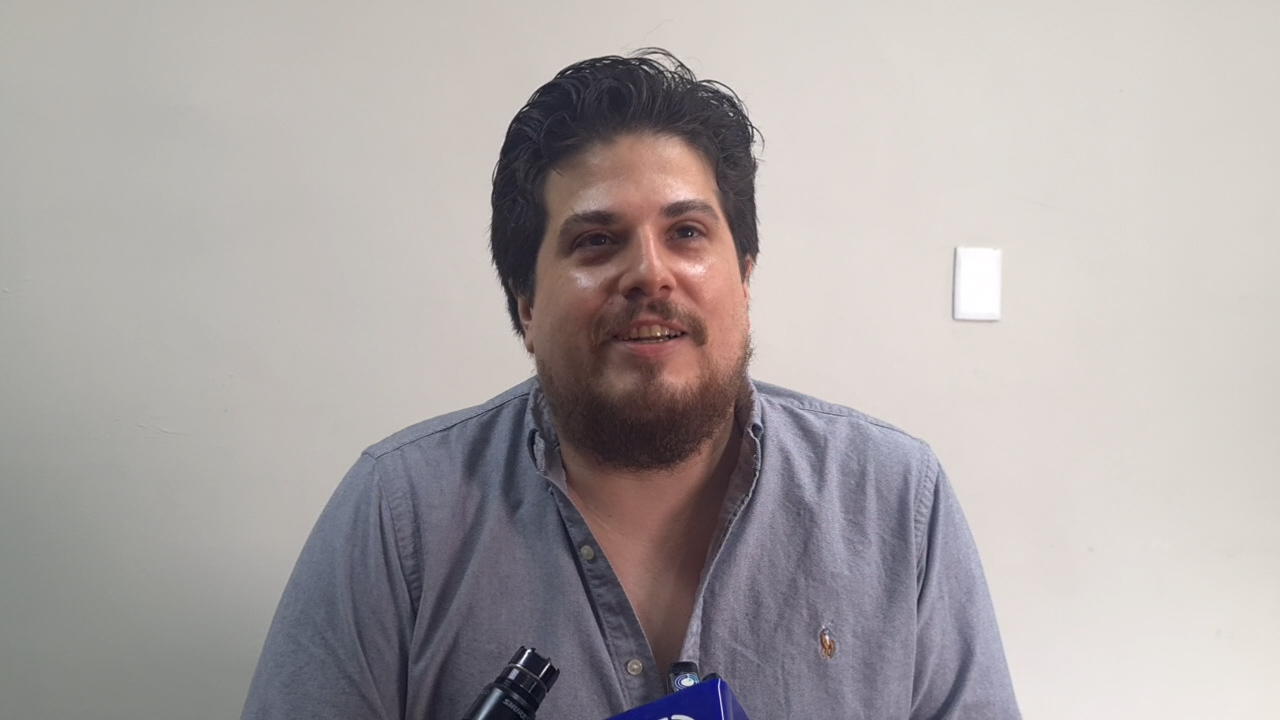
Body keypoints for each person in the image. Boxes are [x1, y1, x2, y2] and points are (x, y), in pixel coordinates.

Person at [241, 49, 1021, 719]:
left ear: (744, 278)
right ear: (526, 305)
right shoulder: (398, 516)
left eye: (686, 232)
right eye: (596, 240)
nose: (650, 273)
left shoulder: (898, 503)